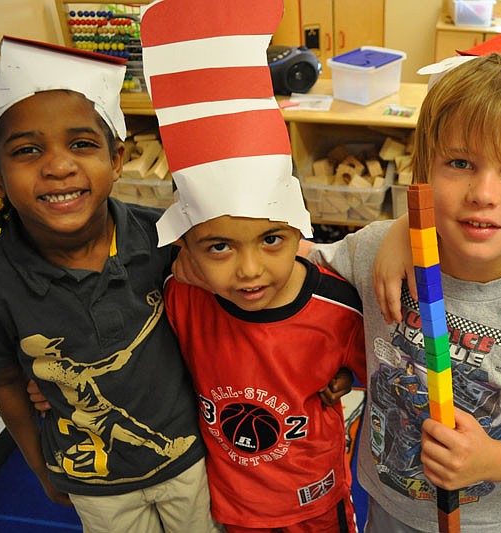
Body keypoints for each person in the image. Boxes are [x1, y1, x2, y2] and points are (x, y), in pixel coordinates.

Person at [308, 52, 501, 532]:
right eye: (460, 163)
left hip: (490, 523)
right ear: (424, 170)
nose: (483, 193)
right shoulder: (376, 249)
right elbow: (298, 269)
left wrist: (490, 459)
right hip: (385, 501)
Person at [138, 1, 367, 531]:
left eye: (271, 240)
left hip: (315, 501)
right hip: (227, 504)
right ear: (186, 247)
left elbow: (381, 368)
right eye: (219, 247)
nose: (249, 270)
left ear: (300, 230)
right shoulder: (181, 298)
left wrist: (347, 376)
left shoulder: (336, 305)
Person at [0, 36, 219, 532]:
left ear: (116, 159)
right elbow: (5, 382)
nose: (58, 166)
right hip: (95, 482)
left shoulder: (167, 238)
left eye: (81, 145)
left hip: (192, 459)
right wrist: (40, 466)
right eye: (27, 151)